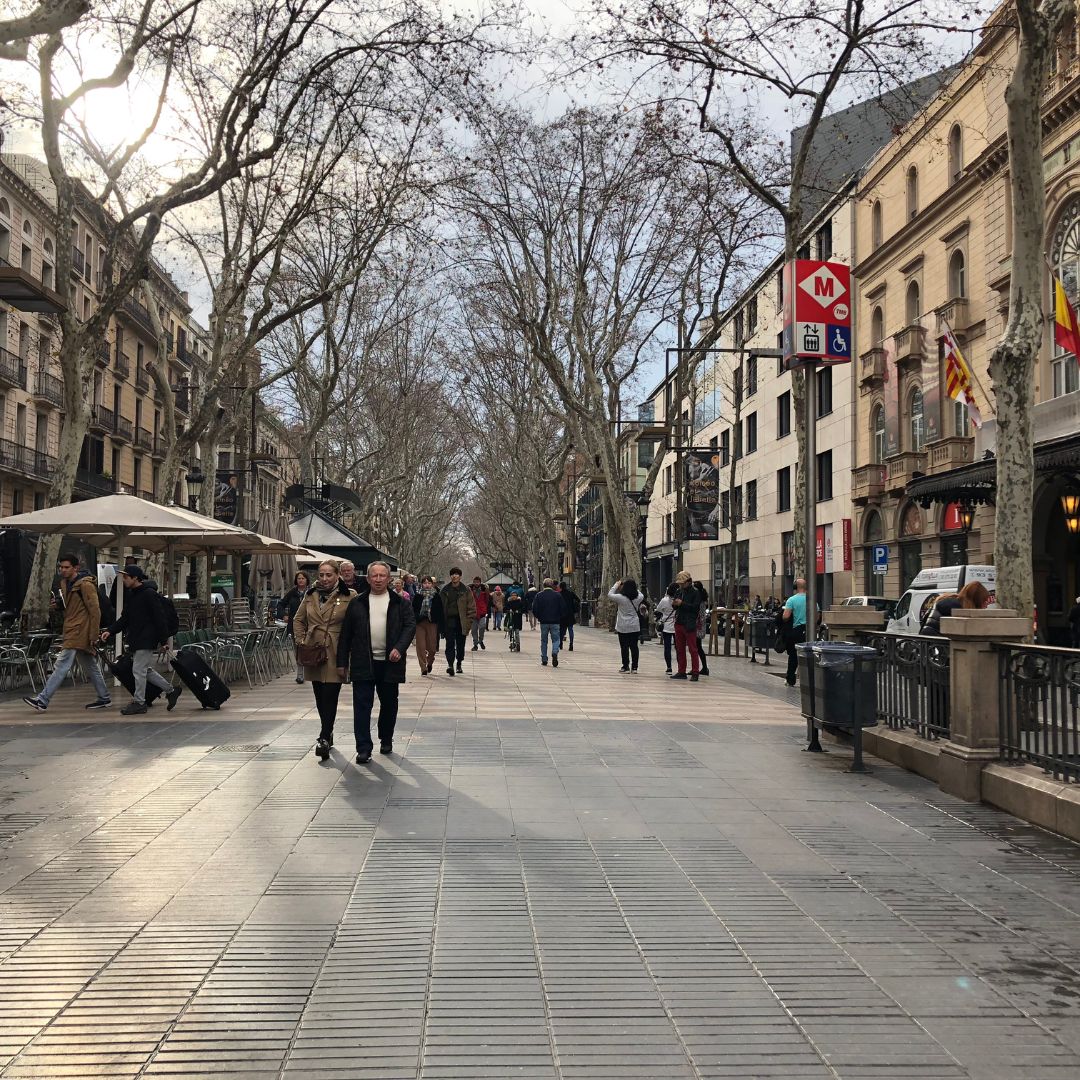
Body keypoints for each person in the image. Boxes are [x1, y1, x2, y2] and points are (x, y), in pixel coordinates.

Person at [337, 560, 416, 763]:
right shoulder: (358, 602)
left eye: (383, 576)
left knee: (389, 704)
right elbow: (346, 634)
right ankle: (363, 747)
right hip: (364, 661)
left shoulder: (400, 603)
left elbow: (409, 627)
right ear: (369, 578)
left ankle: (386, 738)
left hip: (390, 663)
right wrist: (341, 662)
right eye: (375, 576)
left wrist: (399, 648)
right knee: (362, 705)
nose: (379, 579)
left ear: (389, 579)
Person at [24, 553, 113, 713]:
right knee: (90, 666)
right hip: (71, 627)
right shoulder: (65, 583)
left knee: (62, 665)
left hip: (79, 630)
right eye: (61, 567)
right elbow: (72, 606)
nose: (63, 570)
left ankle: (43, 700)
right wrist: (59, 605)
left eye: (66, 567)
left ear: (76, 568)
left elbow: (95, 611)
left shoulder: (86, 585)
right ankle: (104, 697)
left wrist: (93, 635)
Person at [99, 564, 182, 715]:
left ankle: (139, 702)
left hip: (146, 638)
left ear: (135, 578)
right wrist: (110, 631)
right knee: (144, 670)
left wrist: (164, 641)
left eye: (125, 577)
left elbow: (160, 618)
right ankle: (171, 690)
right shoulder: (132, 595)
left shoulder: (149, 594)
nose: (123, 580)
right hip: (137, 638)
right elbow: (125, 618)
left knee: (138, 670)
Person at [294, 560, 355, 761]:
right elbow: (298, 619)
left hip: (336, 650)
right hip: (313, 650)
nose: (325, 579)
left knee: (331, 693)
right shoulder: (310, 595)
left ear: (338, 575)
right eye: (321, 575)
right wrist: (301, 640)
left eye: (329, 575)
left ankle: (323, 736)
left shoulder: (349, 595)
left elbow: (355, 624)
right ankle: (327, 732)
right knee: (319, 694)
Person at [439, 567, 475, 676]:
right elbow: (440, 607)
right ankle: (450, 664)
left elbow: (472, 607)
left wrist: (469, 622)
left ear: (460, 576)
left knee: (460, 644)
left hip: (461, 621)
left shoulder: (466, 590)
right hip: (449, 621)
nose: (454, 576)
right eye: (452, 574)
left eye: (456, 574)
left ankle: (459, 662)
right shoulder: (445, 590)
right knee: (449, 644)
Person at [921, 580, 991, 635]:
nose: (986, 606)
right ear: (977, 600)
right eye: (984, 601)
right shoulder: (956, 607)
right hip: (934, 645)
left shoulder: (953, 602)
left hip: (929, 643)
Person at [278, 570, 310, 683]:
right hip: (295, 626)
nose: (300, 580)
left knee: (309, 649)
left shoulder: (311, 592)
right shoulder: (292, 592)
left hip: (310, 626)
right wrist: (284, 615)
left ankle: (308, 672)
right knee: (298, 649)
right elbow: (281, 604)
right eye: (299, 578)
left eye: (303, 578)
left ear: (307, 580)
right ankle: (300, 674)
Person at [671, 570, 702, 681]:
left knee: (693, 649)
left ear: (688, 582)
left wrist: (682, 604)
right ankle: (681, 671)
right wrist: (674, 604)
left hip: (689, 623)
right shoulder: (679, 591)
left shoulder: (695, 592)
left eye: (682, 583)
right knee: (679, 648)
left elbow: (695, 608)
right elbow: (674, 607)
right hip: (679, 622)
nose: (681, 585)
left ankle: (695, 672)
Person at [608, 579, 644, 673]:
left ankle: (625, 666)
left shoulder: (620, 597)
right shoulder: (638, 597)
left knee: (624, 647)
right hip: (634, 625)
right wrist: (635, 588)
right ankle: (635, 667)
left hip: (622, 626)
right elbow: (641, 594)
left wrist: (616, 584)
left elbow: (610, 594)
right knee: (634, 647)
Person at [412, 575, 443, 675]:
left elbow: (440, 611)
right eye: (425, 583)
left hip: (432, 623)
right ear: (422, 584)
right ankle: (423, 667)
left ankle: (430, 662)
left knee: (432, 648)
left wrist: (441, 625)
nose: (427, 585)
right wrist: (417, 617)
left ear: (432, 584)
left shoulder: (436, 596)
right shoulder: (417, 596)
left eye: (429, 583)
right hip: (420, 623)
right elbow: (413, 610)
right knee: (420, 646)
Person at [782, 578, 809, 687]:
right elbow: (817, 616)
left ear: (795, 587)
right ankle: (807, 678)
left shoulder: (791, 600)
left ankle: (790, 679)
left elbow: (785, 616)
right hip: (809, 630)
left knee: (793, 655)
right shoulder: (811, 599)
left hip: (797, 630)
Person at [532, 578, 565, 667]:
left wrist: (539, 617)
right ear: (552, 585)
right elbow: (563, 608)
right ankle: (554, 651)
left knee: (544, 640)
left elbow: (534, 609)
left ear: (543, 585)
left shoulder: (539, 595)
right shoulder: (557, 595)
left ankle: (544, 658)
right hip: (555, 621)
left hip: (544, 622)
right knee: (556, 639)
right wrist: (559, 617)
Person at [655, 583, 677, 674]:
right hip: (677, 626)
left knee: (667, 648)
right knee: (679, 648)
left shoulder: (664, 600)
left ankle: (669, 667)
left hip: (666, 627)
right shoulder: (680, 600)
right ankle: (681, 667)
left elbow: (658, 610)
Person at [693, 581, 711, 677]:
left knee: (696, 647)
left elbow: (699, 614)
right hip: (700, 625)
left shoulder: (699, 599)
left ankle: (701, 667)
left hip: (697, 625)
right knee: (697, 647)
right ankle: (703, 667)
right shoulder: (702, 599)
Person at [558, 581, 580, 650]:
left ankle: (560, 643)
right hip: (570, 614)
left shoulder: (559, 594)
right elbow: (578, 600)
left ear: (560, 587)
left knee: (562, 630)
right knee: (570, 629)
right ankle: (571, 644)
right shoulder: (570, 593)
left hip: (562, 615)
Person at [471, 581, 489, 651]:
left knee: (482, 627)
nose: (476, 583)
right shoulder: (470, 590)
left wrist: (484, 607)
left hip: (482, 612)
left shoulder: (484, 590)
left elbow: (487, 600)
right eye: (475, 582)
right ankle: (475, 644)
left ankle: (480, 640)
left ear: (480, 583)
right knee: (474, 630)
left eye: (478, 582)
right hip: (473, 612)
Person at [505, 586, 524, 651]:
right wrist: (508, 610)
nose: (513, 596)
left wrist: (518, 611)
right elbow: (505, 608)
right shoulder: (508, 602)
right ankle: (511, 642)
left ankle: (518, 643)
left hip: (517, 619)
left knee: (517, 632)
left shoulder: (520, 602)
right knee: (511, 630)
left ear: (517, 596)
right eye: (512, 595)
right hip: (511, 619)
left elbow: (523, 608)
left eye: (515, 595)